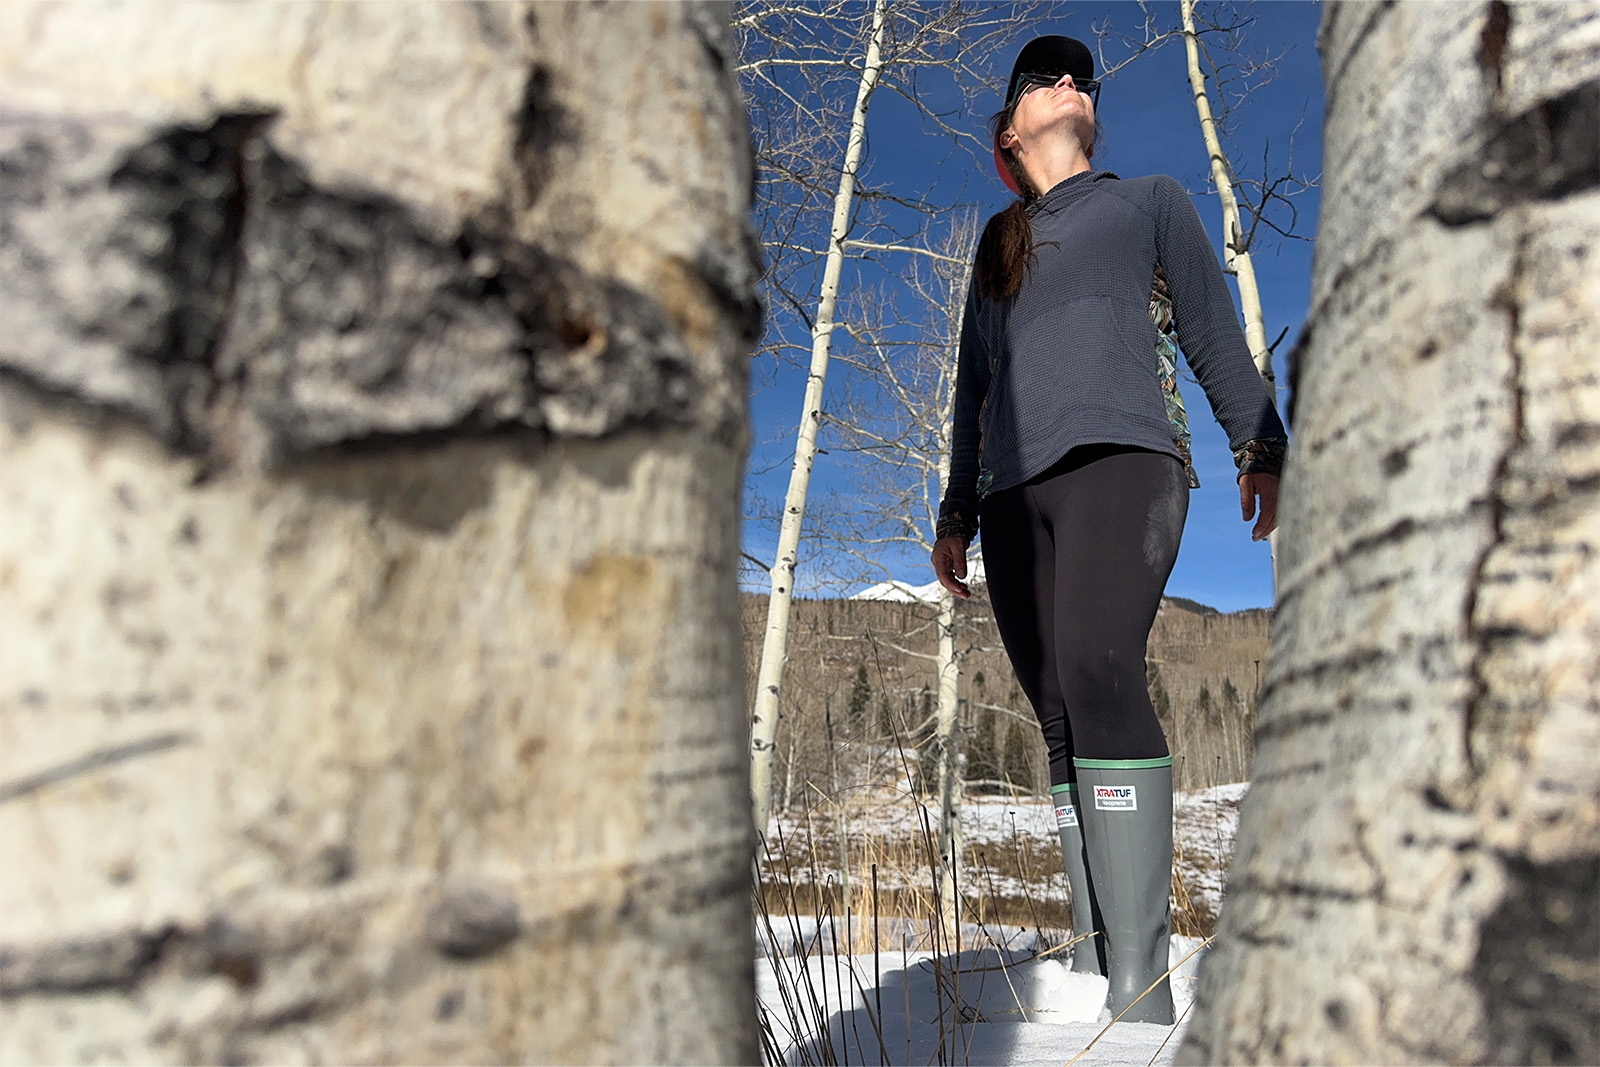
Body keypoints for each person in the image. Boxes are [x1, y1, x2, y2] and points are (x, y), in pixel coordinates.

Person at [929, 35, 1286, 1025]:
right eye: (1049, 75)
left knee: (1097, 668)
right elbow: (972, 389)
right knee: (1053, 711)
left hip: (1123, 456)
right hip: (1010, 491)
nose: (1073, 83)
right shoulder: (997, 246)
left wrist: (1260, 443)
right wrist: (955, 509)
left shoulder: (1148, 202)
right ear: (1009, 130)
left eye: (1083, 77)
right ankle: (1089, 967)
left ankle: (1139, 996)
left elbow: (1212, 323)